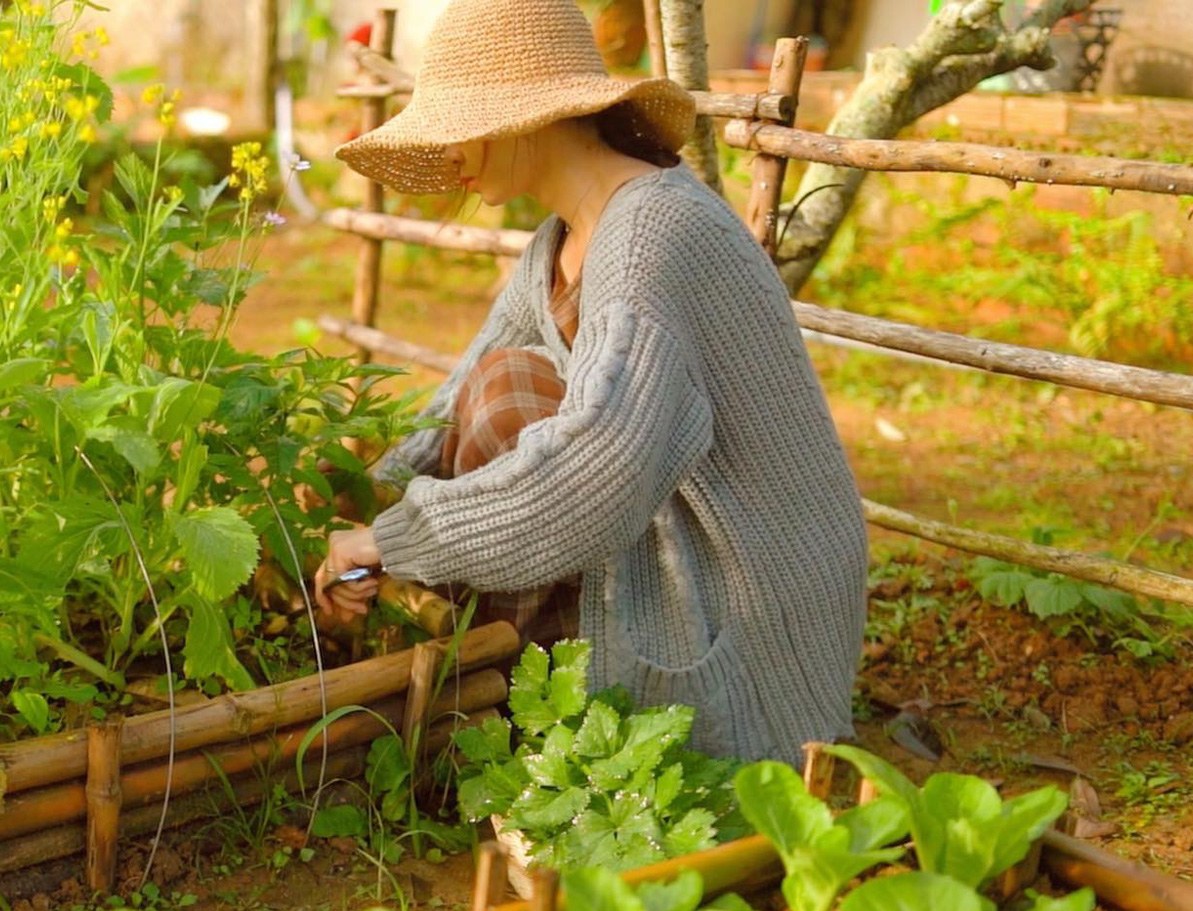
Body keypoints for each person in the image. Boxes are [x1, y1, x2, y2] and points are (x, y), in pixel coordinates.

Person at [312, 0, 867, 764]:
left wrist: (395, 537)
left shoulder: (652, 233)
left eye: (460, 126)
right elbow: (453, 403)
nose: (448, 158)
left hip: (744, 587)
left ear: (529, 118)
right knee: (499, 385)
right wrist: (358, 516)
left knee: (513, 396)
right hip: (647, 519)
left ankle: (512, 707)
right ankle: (508, 686)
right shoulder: (561, 238)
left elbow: (595, 473)